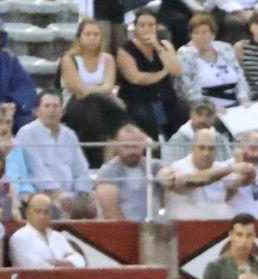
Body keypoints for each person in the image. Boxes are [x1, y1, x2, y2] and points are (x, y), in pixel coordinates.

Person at [14, 91, 94, 219]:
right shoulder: (27, 133)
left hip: (71, 192)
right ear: (36, 111)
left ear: (62, 111)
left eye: (55, 106)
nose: (51, 110)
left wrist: (82, 192)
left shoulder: (69, 134)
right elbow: (36, 170)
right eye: (47, 106)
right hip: (41, 193)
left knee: (97, 200)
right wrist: (58, 194)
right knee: (59, 205)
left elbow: (81, 167)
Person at [60, 19, 124, 168]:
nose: (93, 38)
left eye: (96, 34)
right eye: (88, 34)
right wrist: (97, 88)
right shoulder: (69, 59)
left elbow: (108, 86)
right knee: (95, 109)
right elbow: (78, 89)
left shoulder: (108, 59)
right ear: (79, 37)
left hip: (102, 102)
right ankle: (94, 161)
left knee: (108, 109)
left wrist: (91, 89)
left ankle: (107, 163)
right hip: (75, 103)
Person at [118, 9, 186, 141]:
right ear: (136, 27)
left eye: (151, 25)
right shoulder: (125, 49)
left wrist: (157, 47)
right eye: (142, 25)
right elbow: (136, 78)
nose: (146, 29)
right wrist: (162, 73)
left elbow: (177, 70)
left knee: (182, 114)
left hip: (165, 97)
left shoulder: (164, 45)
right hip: (140, 99)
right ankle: (158, 149)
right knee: (151, 120)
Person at [159, 124, 242, 219]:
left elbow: (236, 184)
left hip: (217, 222)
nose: (206, 153)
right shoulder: (178, 168)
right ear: (192, 148)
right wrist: (229, 169)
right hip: (186, 224)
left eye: (211, 148)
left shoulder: (221, 167)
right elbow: (199, 179)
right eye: (202, 148)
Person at [180, 12, 248, 113]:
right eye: (196, 33)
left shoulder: (225, 48)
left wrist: (244, 98)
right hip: (207, 110)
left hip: (237, 105)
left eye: (204, 32)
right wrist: (211, 107)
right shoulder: (185, 55)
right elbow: (187, 89)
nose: (200, 36)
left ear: (213, 34)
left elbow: (240, 76)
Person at [94, 123, 156, 222]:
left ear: (143, 145)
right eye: (126, 147)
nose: (131, 151)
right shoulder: (108, 172)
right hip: (119, 228)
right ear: (117, 147)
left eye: (135, 146)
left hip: (151, 226)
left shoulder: (154, 166)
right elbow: (110, 213)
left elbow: (168, 176)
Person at [9, 192, 84, 268]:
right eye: (38, 211)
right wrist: (60, 264)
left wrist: (64, 263)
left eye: (46, 212)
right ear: (28, 213)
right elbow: (33, 266)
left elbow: (80, 260)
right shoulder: (19, 238)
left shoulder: (57, 236)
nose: (42, 216)